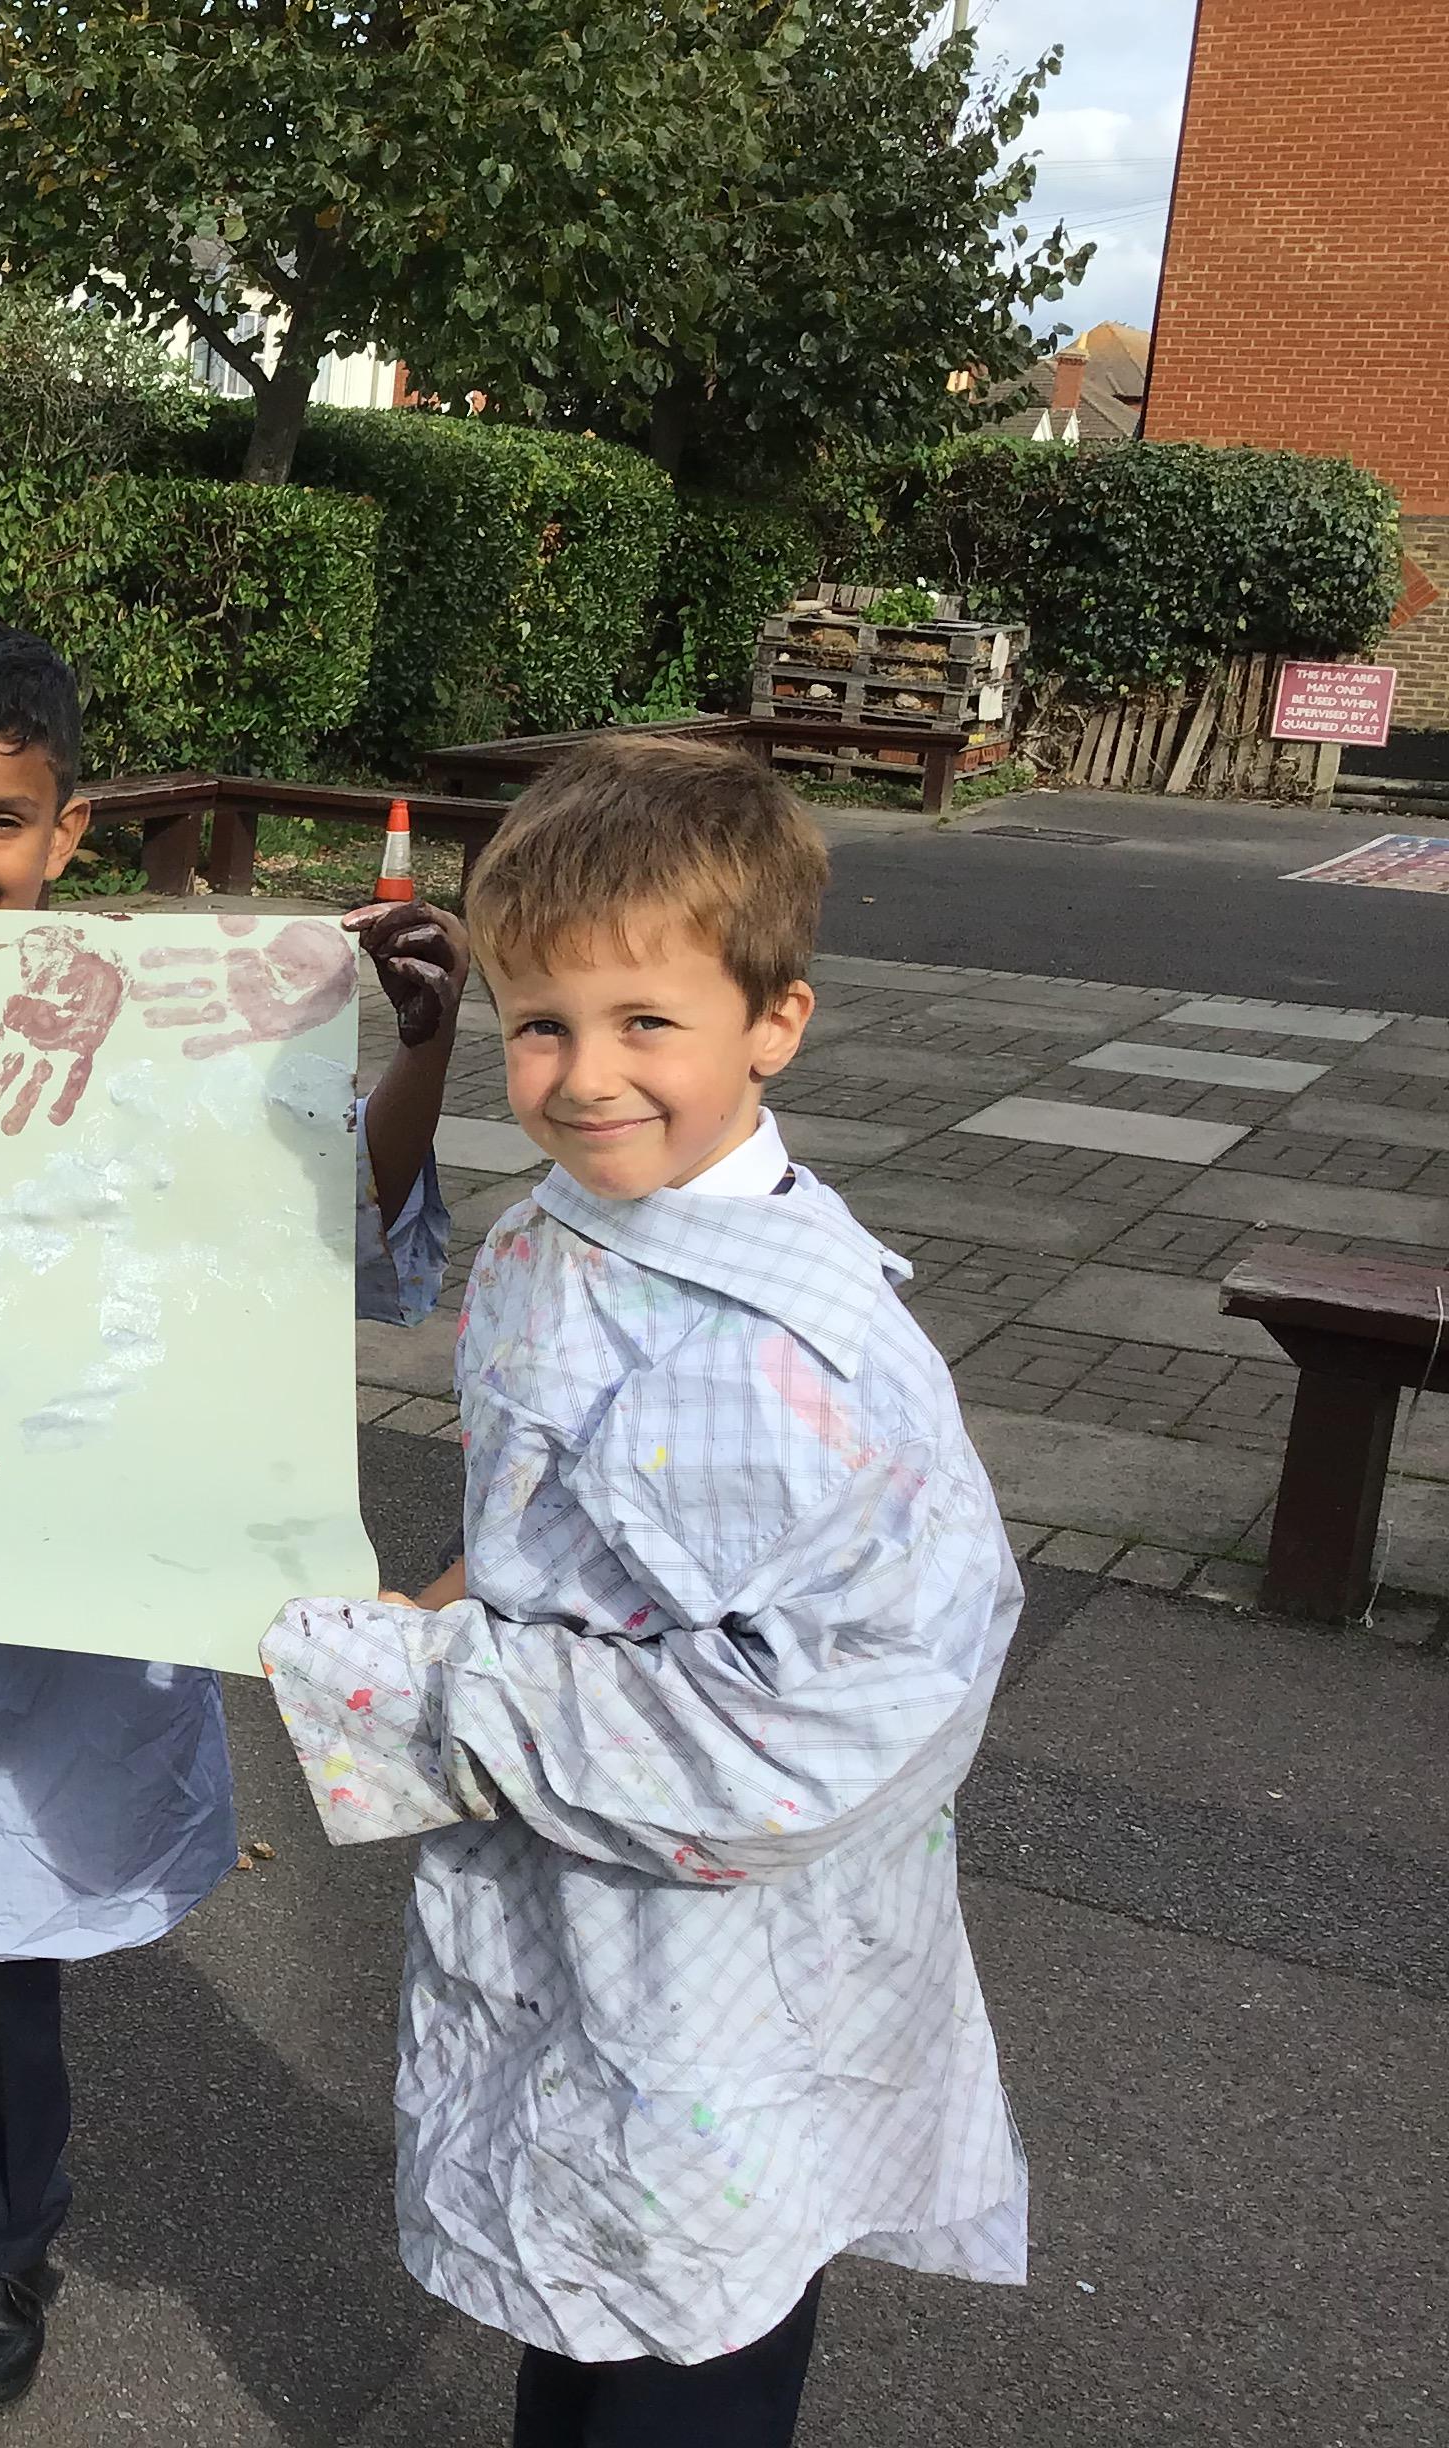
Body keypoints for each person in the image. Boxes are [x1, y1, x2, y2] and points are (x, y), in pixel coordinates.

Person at [0, 620, 468, 2411]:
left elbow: (322, 1232)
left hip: (52, 1592)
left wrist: (420, 1053)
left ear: (70, 830)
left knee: (7, 1929)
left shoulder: (152, 1033)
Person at [258, 735, 1027, 2448]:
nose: (586, 1076)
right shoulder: (557, 1232)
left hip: (721, 1960)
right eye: (542, 1024)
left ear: (775, 1021)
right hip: (579, 1900)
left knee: (692, 2333)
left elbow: (823, 1732)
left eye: (645, 1022)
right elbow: (544, 1535)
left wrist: (421, 1690)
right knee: (583, 2304)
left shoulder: (804, 1362)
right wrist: (427, 1614)